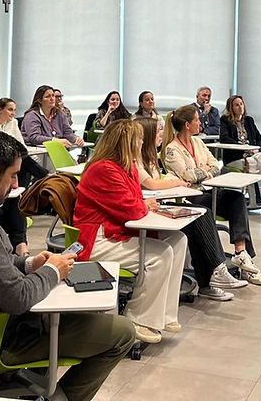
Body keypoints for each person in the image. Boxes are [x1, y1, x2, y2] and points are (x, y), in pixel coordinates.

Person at [0, 131, 133, 401]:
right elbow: (17, 298)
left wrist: (30, 263)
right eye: (13, 176)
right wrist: (53, 271)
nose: (16, 184)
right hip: (1, 337)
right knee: (123, 333)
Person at [74, 120, 187, 345]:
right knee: (160, 255)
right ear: (126, 142)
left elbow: (133, 203)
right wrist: (145, 206)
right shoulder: (103, 169)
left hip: (114, 231)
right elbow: (132, 210)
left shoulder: (126, 167)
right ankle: (137, 319)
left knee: (178, 239)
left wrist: (142, 205)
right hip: (97, 239)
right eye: (139, 139)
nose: (143, 142)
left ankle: (163, 314)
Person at [135, 117, 246, 301]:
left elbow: (213, 165)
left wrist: (198, 172)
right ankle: (214, 274)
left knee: (203, 214)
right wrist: (179, 180)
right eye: (158, 131)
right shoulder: (139, 159)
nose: (162, 134)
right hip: (148, 211)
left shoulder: (153, 157)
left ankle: (213, 277)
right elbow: (154, 184)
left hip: (158, 205)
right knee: (199, 218)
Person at [163, 105, 261, 286]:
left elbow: (216, 164)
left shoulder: (198, 142)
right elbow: (188, 176)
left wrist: (203, 171)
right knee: (206, 209)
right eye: (197, 120)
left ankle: (241, 254)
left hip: (209, 189)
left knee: (236, 198)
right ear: (187, 125)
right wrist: (205, 171)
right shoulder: (172, 149)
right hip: (192, 196)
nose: (200, 123)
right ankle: (218, 267)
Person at [0, 100, 47, 256]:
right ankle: (44, 178)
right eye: (10, 109)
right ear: (0, 109)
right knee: (23, 165)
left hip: (11, 163)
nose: (13, 113)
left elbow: (20, 147)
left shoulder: (14, 123)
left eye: (15, 110)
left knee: (22, 160)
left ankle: (21, 244)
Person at [219, 95, 261, 219]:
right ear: (231, 107)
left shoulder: (249, 120)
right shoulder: (225, 120)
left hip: (252, 156)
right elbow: (224, 138)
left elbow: (260, 139)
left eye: (241, 104)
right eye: (236, 105)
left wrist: (256, 148)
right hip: (235, 158)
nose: (240, 107)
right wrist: (244, 148)